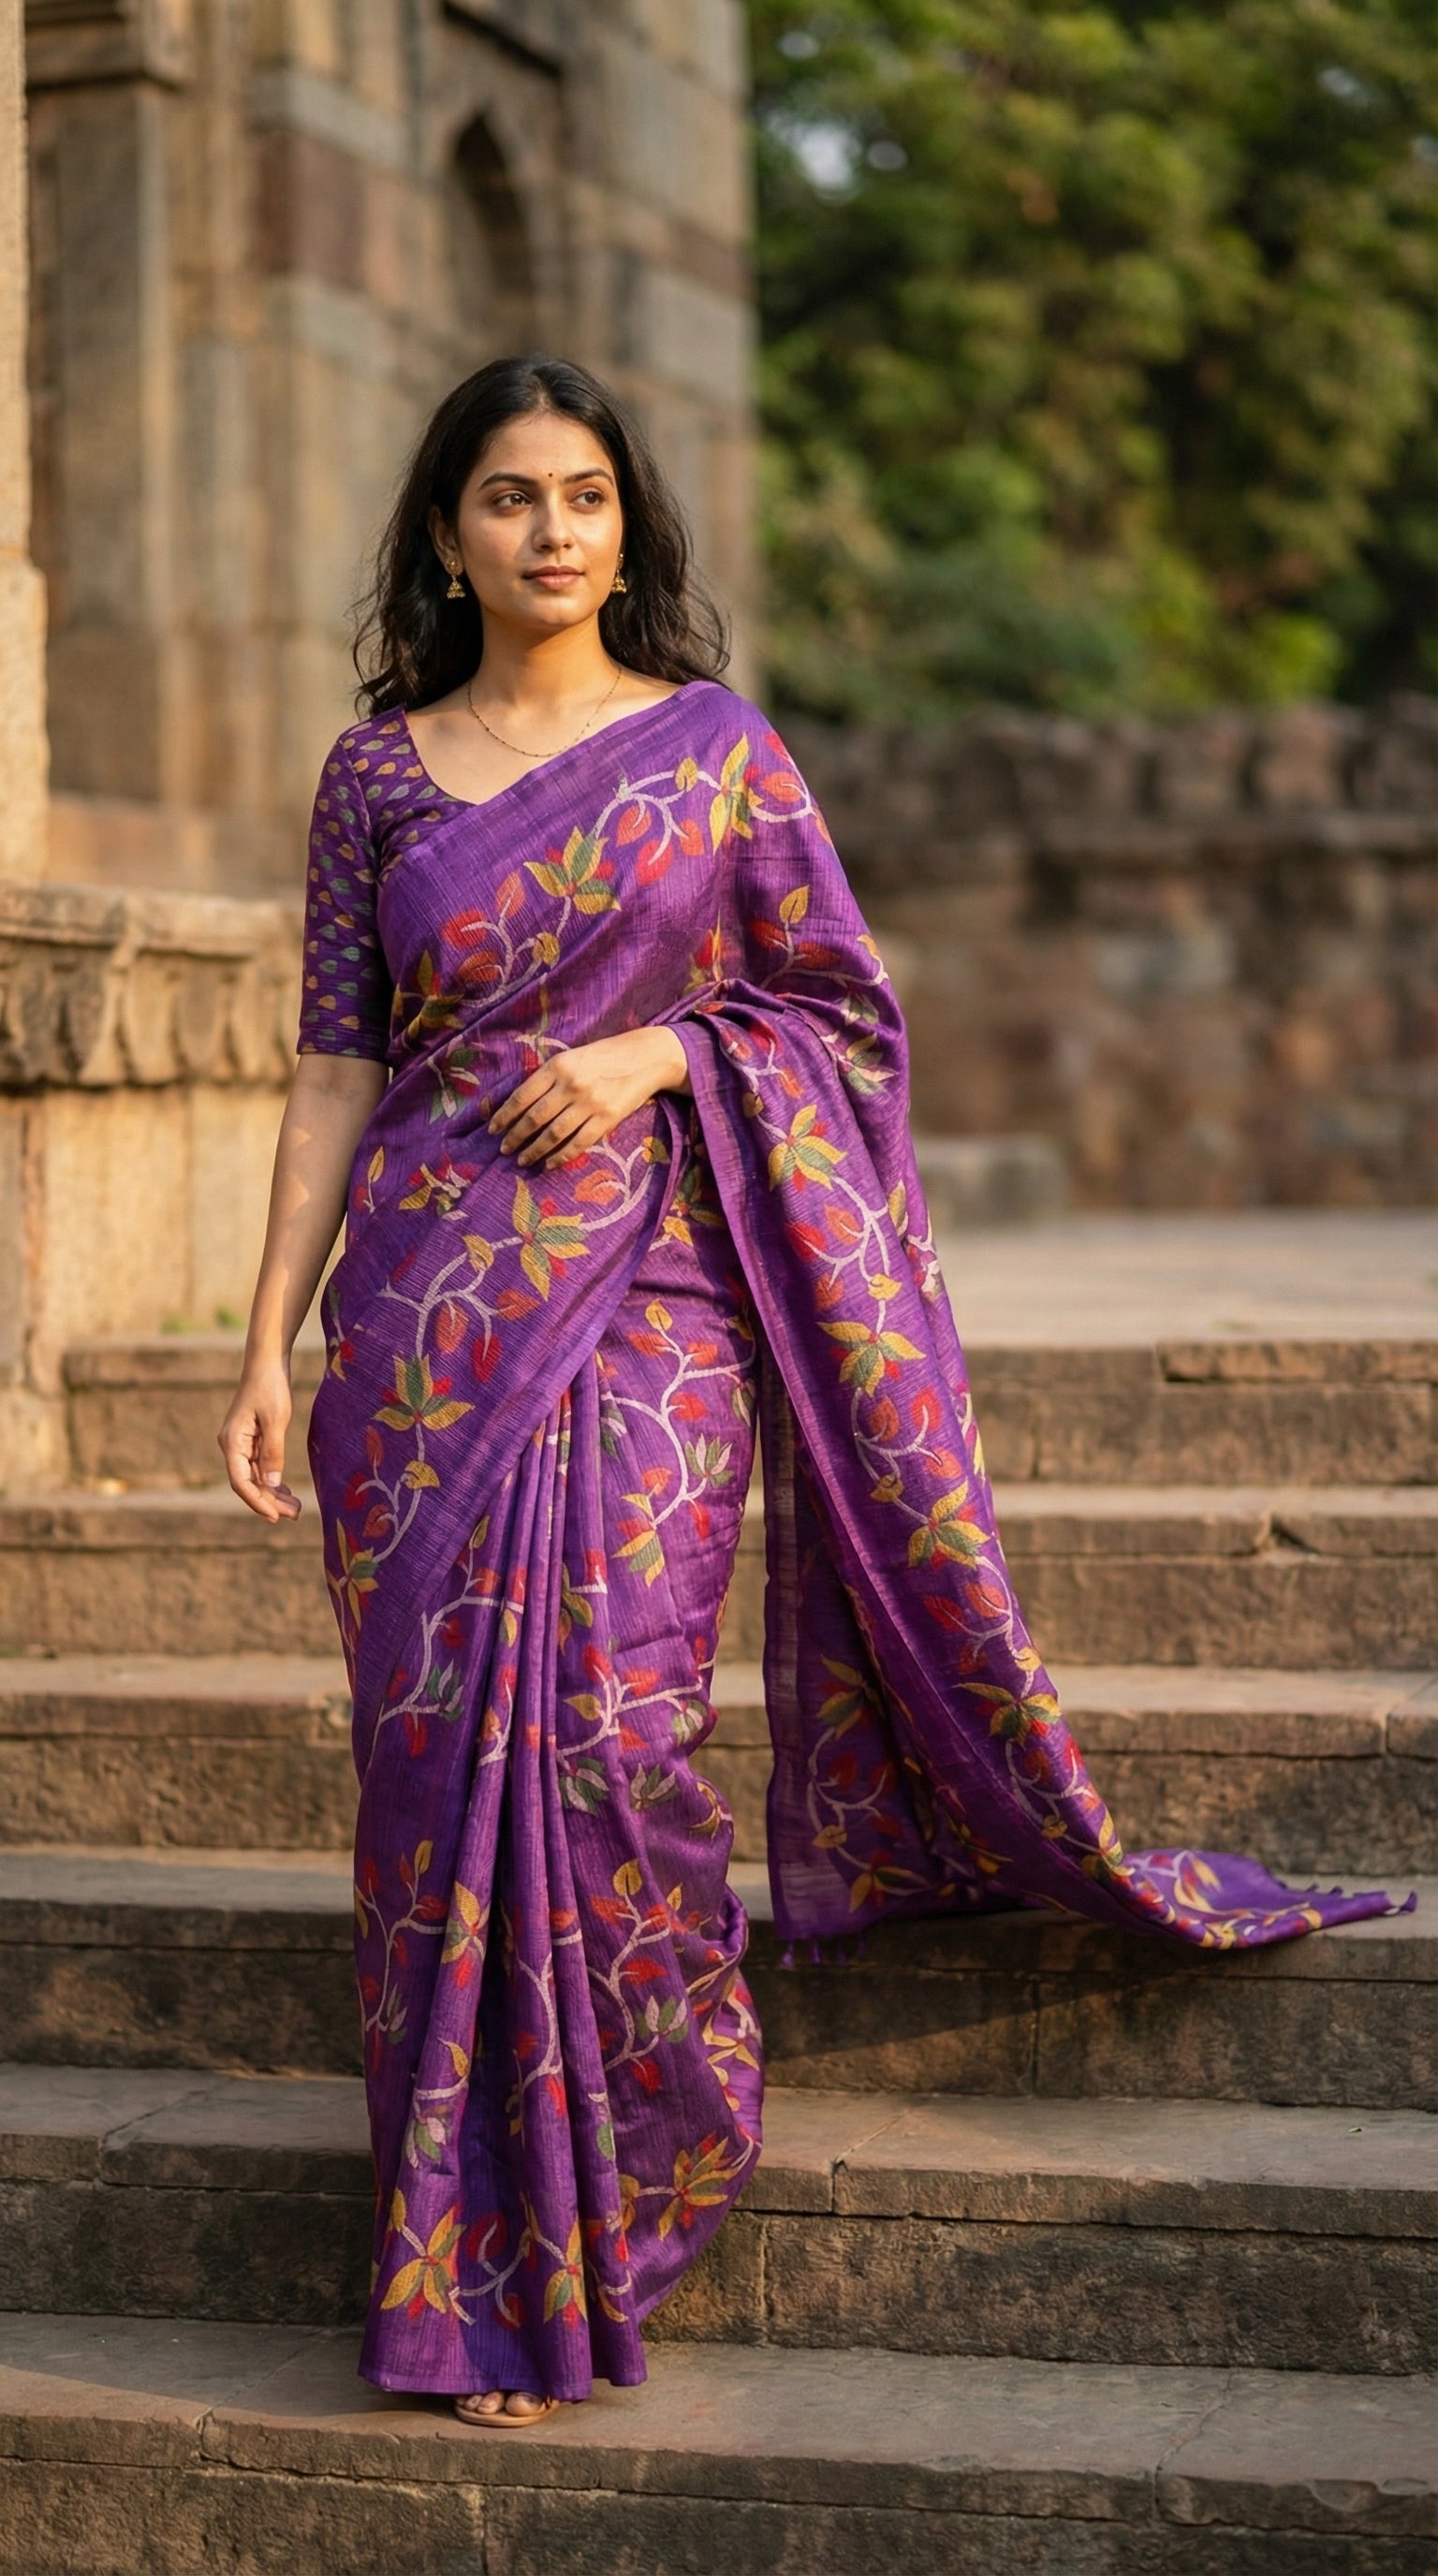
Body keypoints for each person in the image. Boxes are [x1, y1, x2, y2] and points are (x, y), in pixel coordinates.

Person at [219, 354, 1404, 2429]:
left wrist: (667, 1054)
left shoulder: (715, 754)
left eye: (587, 492)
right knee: (433, 1787)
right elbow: (336, 1060)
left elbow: (839, 1018)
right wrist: (259, 1334)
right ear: (444, 533)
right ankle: (477, 2262)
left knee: (606, 1726)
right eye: (509, 496)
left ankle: (635, 2175)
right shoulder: (374, 778)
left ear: (627, 523)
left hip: (658, 1295)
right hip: (422, 1336)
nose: (553, 529)